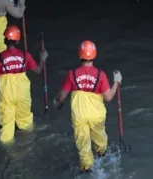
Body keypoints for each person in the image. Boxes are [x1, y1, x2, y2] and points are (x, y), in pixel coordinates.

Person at [53, 40, 122, 173]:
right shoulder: (100, 75)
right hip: (96, 115)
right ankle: (101, 155)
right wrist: (116, 82)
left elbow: (61, 96)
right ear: (94, 55)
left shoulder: (72, 74)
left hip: (79, 115)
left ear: (80, 55)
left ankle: (86, 169)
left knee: (83, 143)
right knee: (100, 138)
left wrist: (57, 102)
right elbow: (108, 97)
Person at [0, 25, 48, 145]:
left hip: (6, 95)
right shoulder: (25, 56)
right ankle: (30, 142)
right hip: (22, 93)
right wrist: (42, 58)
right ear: (18, 41)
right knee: (25, 121)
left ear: (4, 40)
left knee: (6, 126)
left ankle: (7, 148)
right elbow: (38, 70)